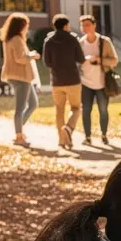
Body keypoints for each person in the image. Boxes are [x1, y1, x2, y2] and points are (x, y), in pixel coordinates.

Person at [43, 14, 86, 150]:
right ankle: (68, 127)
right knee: (76, 108)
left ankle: (62, 140)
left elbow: (47, 63)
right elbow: (81, 58)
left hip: (56, 81)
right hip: (73, 79)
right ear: (66, 25)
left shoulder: (49, 41)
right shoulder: (73, 39)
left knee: (59, 110)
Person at [0, 14, 41, 148]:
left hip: (18, 76)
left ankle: (19, 131)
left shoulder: (9, 39)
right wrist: (32, 56)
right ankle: (18, 136)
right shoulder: (16, 39)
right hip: (20, 76)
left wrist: (29, 55)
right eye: (26, 25)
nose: (27, 28)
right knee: (21, 107)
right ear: (20, 26)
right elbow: (20, 58)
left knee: (33, 104)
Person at [78, 14, 119, 147]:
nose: (85, 28)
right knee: (86, 110)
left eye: (88, 25)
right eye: (83, 25)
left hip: (102, 82)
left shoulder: (104, 41)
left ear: (94, 25)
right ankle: (88, 137)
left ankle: (104, 135)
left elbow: (114, 61)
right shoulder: (80, 43)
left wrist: (99, 60)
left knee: (103, 109)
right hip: (85, 82)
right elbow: (76, 62)